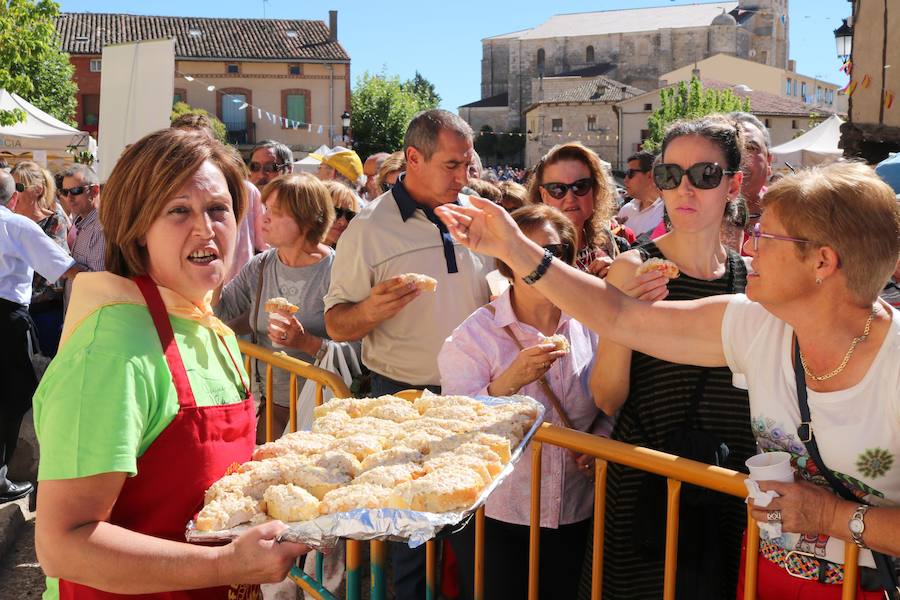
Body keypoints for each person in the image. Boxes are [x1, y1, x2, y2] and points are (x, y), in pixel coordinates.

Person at [436, 159, 900, 600]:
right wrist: (512, 247)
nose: (749, 246)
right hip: (767, 575)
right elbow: (621, 317)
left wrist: (832, 516)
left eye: (765, 236)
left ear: (822, 262)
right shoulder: (756, 324)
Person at [33, 128, 308, 599]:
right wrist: (225, 563)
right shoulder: (112, 348)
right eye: (178, 211)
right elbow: (63, 543)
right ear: (138, 227)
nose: (205, 229)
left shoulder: (209, 327)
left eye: (218, 209)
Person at [324, 108, 492, 600]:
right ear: (413, 159)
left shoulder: (476, 214)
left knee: (470, 537)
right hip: (404, 398)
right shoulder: (368, 229)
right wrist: (371, 309)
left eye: (468, 165)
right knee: (410, 541)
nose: (463, 177)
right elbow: (336, 323)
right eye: (452, 165)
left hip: (477, 397)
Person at [586, 116, 756, 599]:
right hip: (647, 485)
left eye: (704, 174)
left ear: (733, 183)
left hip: (731, 481)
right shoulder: (632, 267)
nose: (684, 188)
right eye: (669, 174)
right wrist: (626, 317)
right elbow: (606, 396)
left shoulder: (752, 278)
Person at [439, 204, 608, 600]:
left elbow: (612, 402)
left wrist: (601, 442)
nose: (539, 264)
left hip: (575, 509)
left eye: (553, 253)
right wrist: (510, 381)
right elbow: (455, 427)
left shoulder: (594, 323)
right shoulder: (473, 337)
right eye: (525, 251)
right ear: (506, 262)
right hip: (500, 514)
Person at [216, 173, 335, 441]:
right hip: (271, 403)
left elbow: (359, 348)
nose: (264, 218)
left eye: (276, 212)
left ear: (307, 220)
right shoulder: (260, 266)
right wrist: (216, 264)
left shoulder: (337, 271)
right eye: (266, 209)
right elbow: (222, 314)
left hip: (323, 406)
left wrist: (305, 342)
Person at [0, 170, 78, 504]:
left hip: (9, 315)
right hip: (6, 319)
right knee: (13, 397)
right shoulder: (16, 225)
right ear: (14, 197)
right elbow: (65, 267)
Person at [172, 113, 265, 281]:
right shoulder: (164, 193)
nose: (192, 152)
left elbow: (264, 244)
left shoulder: (247, 191)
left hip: (238, 291)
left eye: (200, 144)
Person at [526, 142, 618, 277]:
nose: (570, 198)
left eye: (580, 186)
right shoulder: (533, 248)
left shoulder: (604, 237)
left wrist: (616, 274)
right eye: (557, 189)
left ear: (594, 189)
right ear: (544, 195)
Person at [11, 161, 70, 356]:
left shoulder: (54, 221)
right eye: (11, 187)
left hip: (44, 312)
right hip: (13, 311)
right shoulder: (9, 222)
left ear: (37, 190)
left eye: (19, 187)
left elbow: (52, 268)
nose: (14, 193)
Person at [61, 163, 106, 305]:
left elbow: (99, 283)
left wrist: (64, 268)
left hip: (90, 318)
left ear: (95, 191)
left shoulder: (101, 228)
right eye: (65, 192)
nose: (69, 197)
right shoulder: (81, 222)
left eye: (75, 190)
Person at [617, 150, 664, 237]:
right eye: (626, 174)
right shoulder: (626, 210)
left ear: (650, 175)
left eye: (630, 173)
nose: (625, 180)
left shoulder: (666, 212)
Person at [322, 179, 361, 248]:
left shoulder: (349, 255)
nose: (343, 222)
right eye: (336, 212)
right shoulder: (297, 247)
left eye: (350, 215)